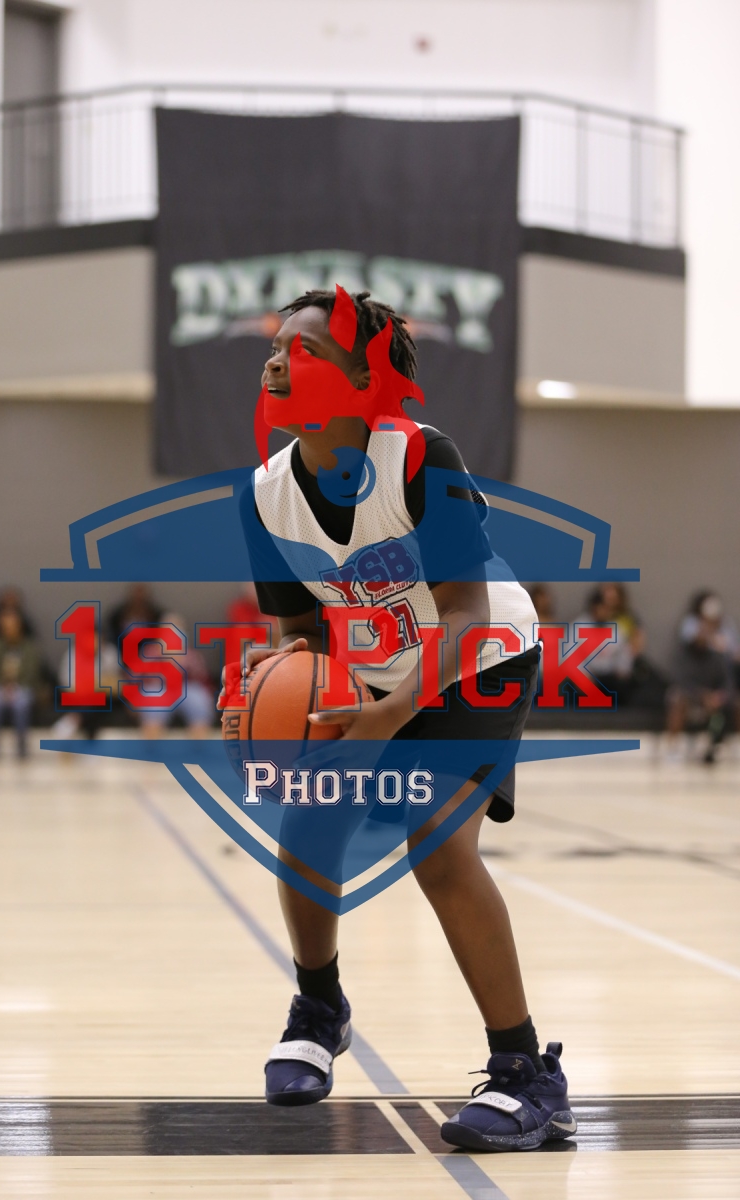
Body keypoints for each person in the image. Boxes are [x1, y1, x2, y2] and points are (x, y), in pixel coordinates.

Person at [230, 288, 575, 1151]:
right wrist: (278, 686)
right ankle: (320, 1008)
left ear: (362, 379)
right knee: (307, 830)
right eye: (274, 347)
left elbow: (463, 614)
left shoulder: (420, 456)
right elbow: (304, 634)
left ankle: (528, 1074)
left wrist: (390, 713)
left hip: (482, 658)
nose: (276, 361)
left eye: (303, 350)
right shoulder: (265, 496)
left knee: (438, 845)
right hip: (378, 674)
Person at [667, 591, 737, 763]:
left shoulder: (718, 656)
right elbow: (680, 681)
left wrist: (720, 696)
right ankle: (673, 749)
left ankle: (730, 747)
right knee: (677, 699)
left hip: (714, 700)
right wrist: (703, 696)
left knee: (736, 703)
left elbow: (728, 682)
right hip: (692, 698)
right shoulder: (683, 654)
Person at [0, 608, 44, 759]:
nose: (9, 629)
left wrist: (15, 687)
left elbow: (32, 673)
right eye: (6, 625)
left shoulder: (29, 647)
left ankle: (21, 746)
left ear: (19, 626)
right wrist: (3, 686)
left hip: (22, 687)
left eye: (12, 625)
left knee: (21, 702)